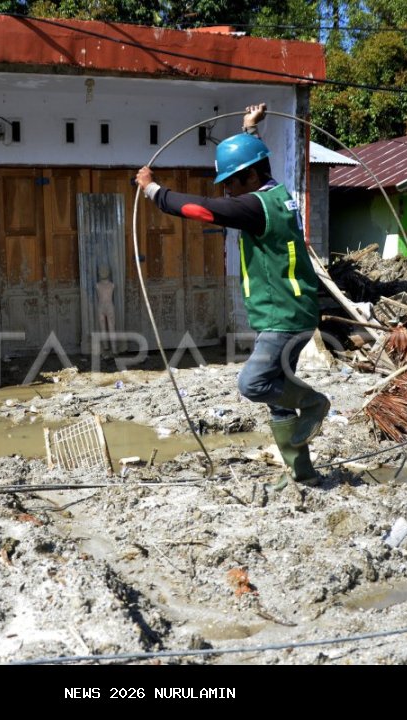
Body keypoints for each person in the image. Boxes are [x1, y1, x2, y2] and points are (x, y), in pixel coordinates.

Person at [135, 103, 329, 490]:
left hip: (283, 318)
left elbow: (201, 210)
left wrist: (153, 190)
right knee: (276, 396)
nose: (226, 191)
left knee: (253, 384)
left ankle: (315, 403)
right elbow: (253, 167)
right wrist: (249, 129)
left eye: (231, 183)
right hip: (290, 312)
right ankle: (302, 474)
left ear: (251, 177)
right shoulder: (275, 195)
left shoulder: (254, 207)